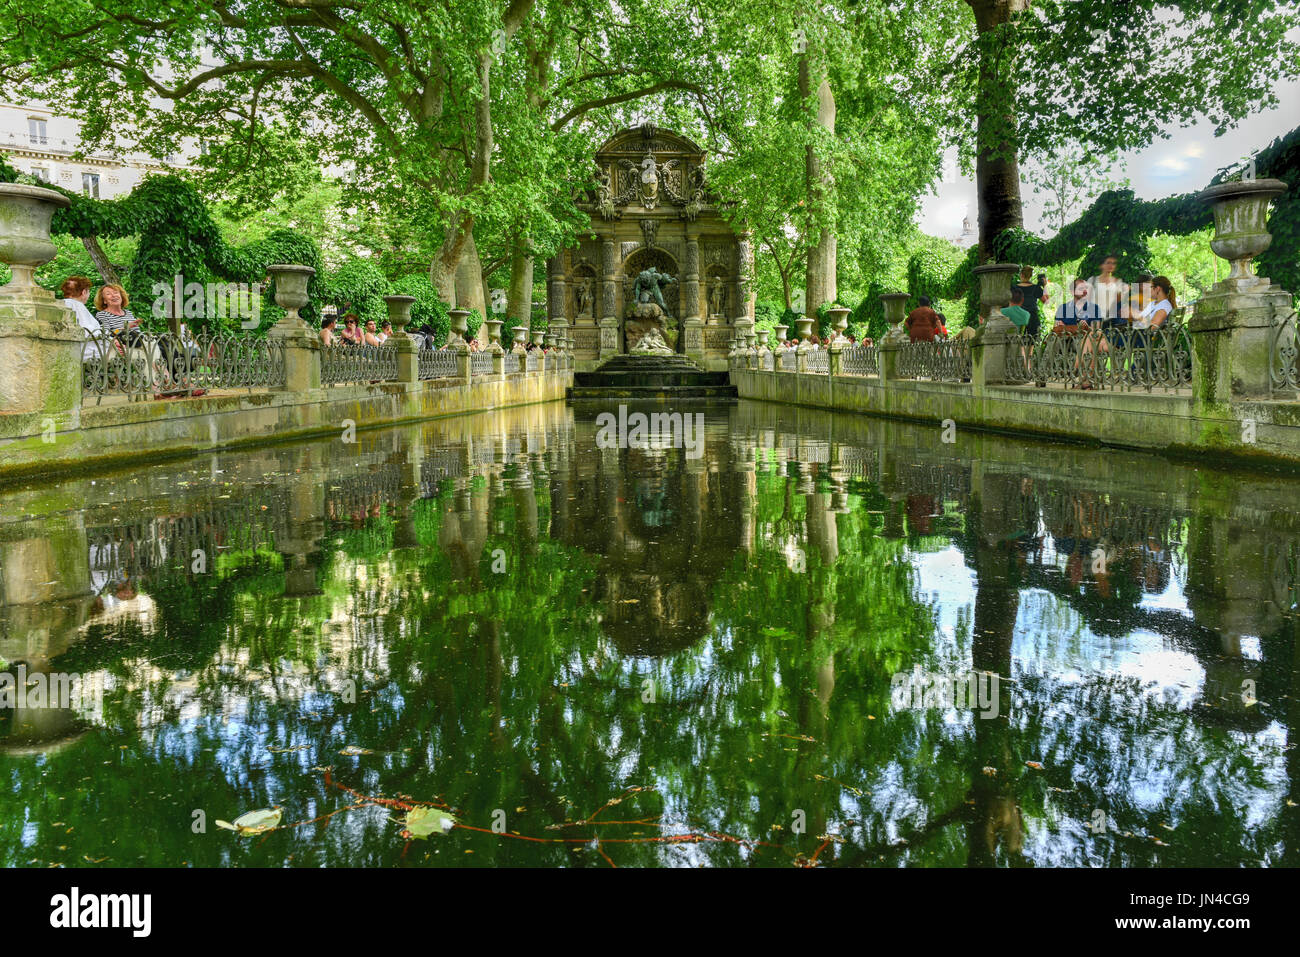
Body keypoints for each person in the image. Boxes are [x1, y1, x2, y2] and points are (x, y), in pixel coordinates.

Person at [60, 276, 102, 360]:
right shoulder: (77, 306)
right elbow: (89, 331)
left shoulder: (60, 304)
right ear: (84, 292)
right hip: (84, 351)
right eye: (88, 291)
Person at [1088, 254, 1129, 328]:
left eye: (1113, 263)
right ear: (1101, 265)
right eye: (1108, 262)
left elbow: (1118, 301)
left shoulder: (1118, 282)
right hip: (1095, 316)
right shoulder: (1093, 280)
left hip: (1112, 318)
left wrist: (1124, 292)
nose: (1111, 265)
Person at [1013, 266, 1048, 339]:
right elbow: (1046, 301)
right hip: (1032, 317)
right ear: (1030, 276)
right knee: (1032, 342)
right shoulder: (1035, 288)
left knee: (1019, 341)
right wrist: (1045, 286)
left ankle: (1022, 350)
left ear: (1021, 275)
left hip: (1018, 316)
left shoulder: (1014, 288)